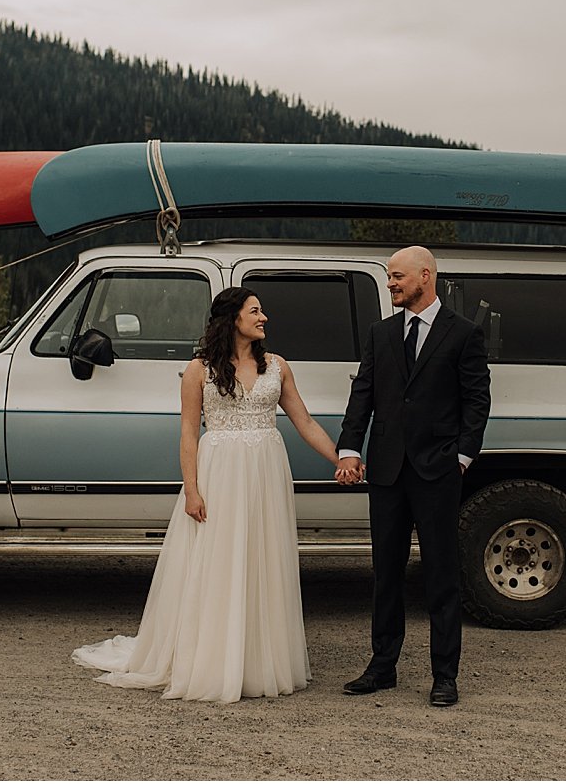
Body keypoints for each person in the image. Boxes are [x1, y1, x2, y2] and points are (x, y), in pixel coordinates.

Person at [72, 287, 351, 703]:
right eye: (255, 311)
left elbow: (304, 421)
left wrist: (341, 458)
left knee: (261, 560)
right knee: (218, 562)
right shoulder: (199, 370)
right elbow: (188, 432)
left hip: (266, 473)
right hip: (220, 471)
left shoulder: (278, 367)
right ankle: (213, 660)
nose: (264, 317)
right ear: (232, 318)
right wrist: (192, 489)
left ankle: (256, 661)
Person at [335, 245, 491, 707]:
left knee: (442, 574)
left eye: (397, 277)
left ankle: (445, 675)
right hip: (385, 471)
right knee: (386, 572)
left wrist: (462, 458)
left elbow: (476, 400)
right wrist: (349, 447)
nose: (391, 284)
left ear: (426, 276)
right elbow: (363, 392)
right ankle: (382, 667)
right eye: (389, 278)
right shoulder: (381, 334)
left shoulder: (464, 334)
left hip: (438, 471)